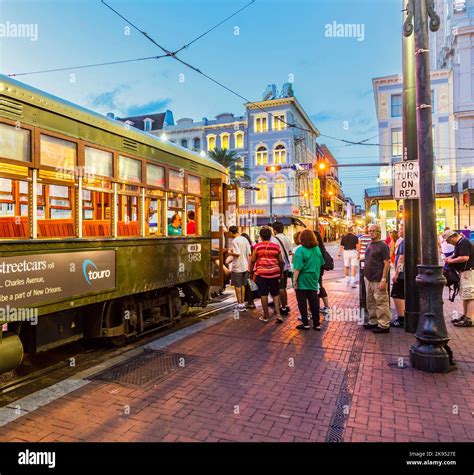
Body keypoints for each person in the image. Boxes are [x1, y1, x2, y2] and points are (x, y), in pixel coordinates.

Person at [292, 229, 325, 331]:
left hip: (302, 279)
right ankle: (316, 324)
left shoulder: (300, 250)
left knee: (302, 302)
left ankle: (305, 323)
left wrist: (294, 281)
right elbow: (321, 263)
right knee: (314, 301)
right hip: (314, 278)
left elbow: (297, 268)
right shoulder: (317, 249)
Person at [249, 226, 284, 323]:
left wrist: (250, 271)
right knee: (275, 294)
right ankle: (278, 314)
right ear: (270, 235)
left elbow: (253, 260)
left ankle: (266, 316)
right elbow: (281, 261)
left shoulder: (257, 247)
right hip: (274, 273)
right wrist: (281, 273)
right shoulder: (276, 246)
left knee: (263, 294)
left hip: (262, 273)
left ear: (260, 236)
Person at [363, 224, 391, 333]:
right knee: (370, 302)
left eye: (374, 231)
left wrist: (383, 279)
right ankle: (373, 321)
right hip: (368, 278)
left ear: (379, 232)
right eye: (369, 231)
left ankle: (384, 325)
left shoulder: (383, 245)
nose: (371, 233)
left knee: (381, 302)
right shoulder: (369, 244)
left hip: (378, 279)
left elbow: (386, 263)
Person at [444, 229, 474, 327]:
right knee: (466, 295)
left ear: (453, 236)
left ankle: (469, 318)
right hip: (465, 272)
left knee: (469, 295)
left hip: (469, 272)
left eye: (448, 240)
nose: (448, 243)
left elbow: (465, 257)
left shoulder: (463, 242)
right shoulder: (460, 243)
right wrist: (450, 258)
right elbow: (457, 254)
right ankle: (465, 316)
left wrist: (451, 261)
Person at [227, 226, 252, 312]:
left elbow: (237, 253)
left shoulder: (235, 241)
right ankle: (242, 304)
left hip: (237, 266)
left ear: (231, 232)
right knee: (242, 285)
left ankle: (239, 304)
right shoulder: (244, 239)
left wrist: (230, 252)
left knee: (237, 286)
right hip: (245, 266)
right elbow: (249, 252)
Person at [271, 221, 293, 316]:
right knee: (283, 287)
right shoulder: (287, 239)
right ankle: (285, 305)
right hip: (286, 266)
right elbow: (290, 252)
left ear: (274, 230)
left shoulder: (274, 240)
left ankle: (283, 307)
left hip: (277, 266)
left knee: (279, 288)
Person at [390, 225, 405, 328]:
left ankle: (401, 318)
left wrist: (396, 274)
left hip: (402, 275)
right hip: (404, 274)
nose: (399, 231)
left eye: (401, 228)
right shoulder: (404, 241)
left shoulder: (405, 242)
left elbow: (401, 259)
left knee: (397, 295)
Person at [314, 230, 330, 315]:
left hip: (317, 270)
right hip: (319, 270)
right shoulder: (321, 247)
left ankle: (323, 307)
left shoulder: (316, 248)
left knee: (318, 287)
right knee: (319, 287)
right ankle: (325, 306)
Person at [241, 232, 256, 309]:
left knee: (249, 285)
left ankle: (251, 302)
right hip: (253, 268)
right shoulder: (253, 246)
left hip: (247, 267)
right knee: (251, 285)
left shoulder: (244, 246)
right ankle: (251, 302)